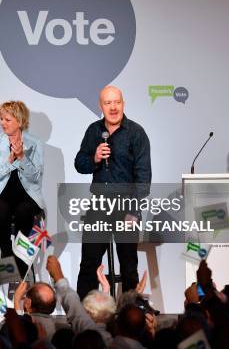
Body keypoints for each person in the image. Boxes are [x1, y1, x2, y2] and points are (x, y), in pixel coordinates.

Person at [75, 86, 151, 299]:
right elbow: (79, 163)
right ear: (101, 106)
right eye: (108, 103)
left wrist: (133, 212)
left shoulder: (136, 133)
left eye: (116, 102)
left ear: (123, 104)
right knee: (89, 262)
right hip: (99, 204)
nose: (113, 107)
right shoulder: (93, 131)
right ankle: (85, 313)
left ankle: (129, 315)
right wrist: (95, 158)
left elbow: (143, 180)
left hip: (127, 205)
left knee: (128, 265)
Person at [0, 101, 44, 277]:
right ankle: (7, 255)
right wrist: (10, 160)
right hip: (0, 195)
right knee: (1, 211)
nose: (2, 123)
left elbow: (34, 177)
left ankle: (19, 266)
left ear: (20, 120)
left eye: (7, 119)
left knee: (24, 212)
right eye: (1, 119)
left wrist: (23, 158)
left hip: (27, 195)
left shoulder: (35, 142)